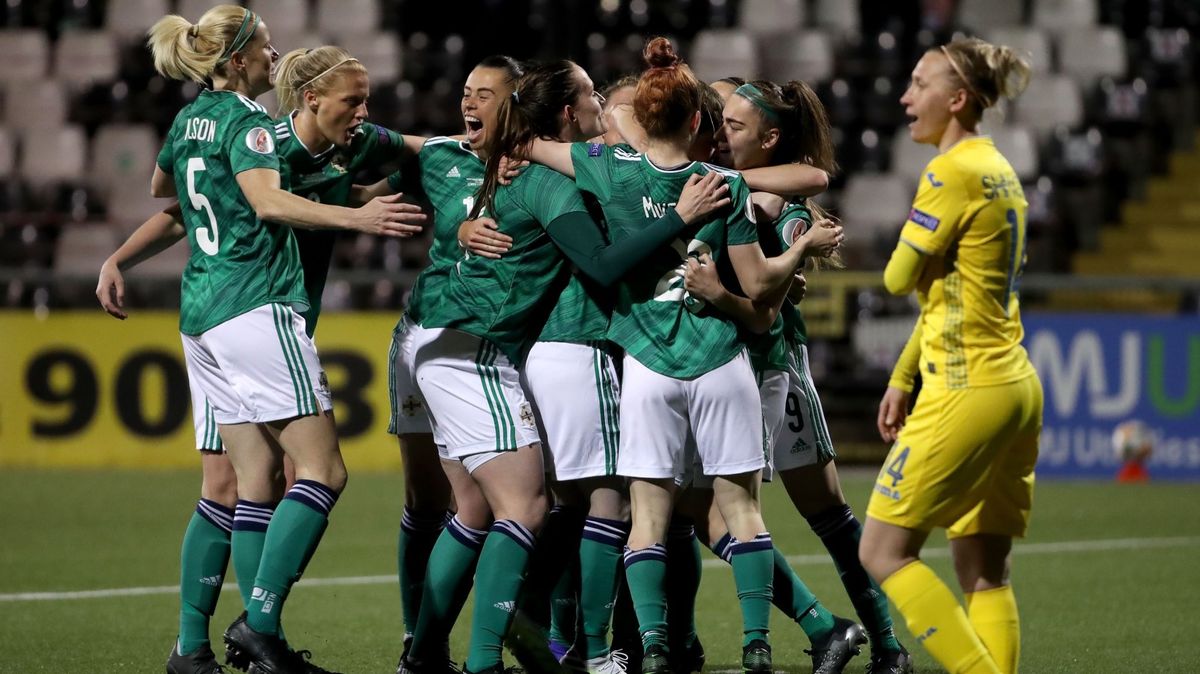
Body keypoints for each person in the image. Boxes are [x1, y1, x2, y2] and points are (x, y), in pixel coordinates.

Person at [520, 38, 842, 674]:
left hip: (645, 363)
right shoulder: (721, 183)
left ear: (637, 118)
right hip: (721, 360)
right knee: (741, 509)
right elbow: (756, 289)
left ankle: (659, 646)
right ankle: (756, 646)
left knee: (648, 516)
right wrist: (799, 255)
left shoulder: (607, 168)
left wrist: (505, 155)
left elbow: (528, 144)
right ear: (699, 122)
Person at [403, 58, 729, 674]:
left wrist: (463, 223)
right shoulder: (562, 179)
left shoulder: (511, 163)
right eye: (590, 97)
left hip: (457, 343)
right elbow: (604, 264)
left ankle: (430, 653)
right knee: (592, 502)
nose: (602, 107)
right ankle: (574, 652)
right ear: (564, 112)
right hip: (520, 348)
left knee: (483, 508)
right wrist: (681, 217)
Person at [129, 7, 419, 672]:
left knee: (243, 481)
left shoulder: (188, 120)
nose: (272, 55)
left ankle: (195, 649)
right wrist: (359, 217)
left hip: (200, 309)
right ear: (235, 60)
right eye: (262, 46)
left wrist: (117, 261)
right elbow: (268, 202)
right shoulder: (254, 125)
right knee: (322, 469)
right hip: (253, 303)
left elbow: (163, 189)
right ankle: (259, 628)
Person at [682, 79, 915, 674]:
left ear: (771, 136)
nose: (719, 129)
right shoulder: (727, 181)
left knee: (801, 517)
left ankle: (871, 639)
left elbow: (765, 306)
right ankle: (854, 635)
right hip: (741, 370)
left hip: (767, 370)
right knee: (776, 515)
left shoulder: (775, 209)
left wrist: (760, 278)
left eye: (733, 122)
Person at [858, 38, 1039, 674]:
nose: (906, 98)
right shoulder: (999, 166)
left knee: (880, 552)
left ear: (956, 99)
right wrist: (904, 375)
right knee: (983, 567)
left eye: (919, 84)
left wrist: (913, 246)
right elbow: (951, 297)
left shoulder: (949, 171)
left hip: (968, 388)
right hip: (1014, 385)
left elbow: (897, 278)